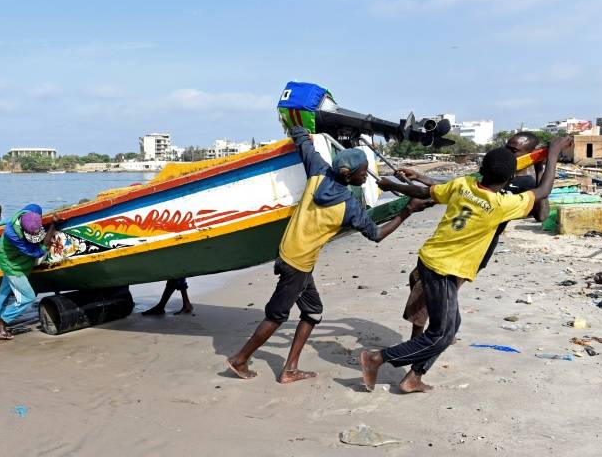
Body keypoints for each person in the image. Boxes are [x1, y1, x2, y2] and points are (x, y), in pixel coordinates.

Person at [361, 137, 571, 394]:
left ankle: (413, 376)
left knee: (449, 326)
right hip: (444, 268)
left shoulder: (464, 183)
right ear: (506, 178)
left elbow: (428, 192)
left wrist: (394, 185)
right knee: (440, 332)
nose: (510, 152)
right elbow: (544, 191)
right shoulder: (501, 203)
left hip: (441, 261)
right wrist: (554, 155)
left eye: (514, 150)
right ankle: (377, 359)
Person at [226, 126, 430, 384]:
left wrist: (302, 128)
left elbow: (302, 141)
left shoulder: (318, 171)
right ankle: (239, 359)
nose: (366, 176)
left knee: (313, 312)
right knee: (277, 315)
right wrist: (407, 211)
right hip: (298, 266)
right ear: (351, 175)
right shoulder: (349, 206)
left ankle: (290, 369)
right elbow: (376, 235)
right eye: (363, 172)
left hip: (290, 254)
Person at [398, 131, 549, 338]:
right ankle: (444, 329)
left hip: (474, 249)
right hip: (452, 242)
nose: (506, 153)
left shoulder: (525, 184)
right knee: (423, 282)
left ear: (531, 154)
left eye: (513, 151)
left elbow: (541, 215)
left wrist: (541, 167)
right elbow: (457, 188)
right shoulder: (495, 170)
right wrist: (421, 177)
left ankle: (422, 339)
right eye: (506, 147)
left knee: (426, 291)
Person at [0, 204, 60, 340]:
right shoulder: (12, 235)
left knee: (4, 292)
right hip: (12, 265)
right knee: (28, 297)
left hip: (11, 258)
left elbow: (17, 216)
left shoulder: (32, 210)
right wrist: (53, 226)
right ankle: (0, 323)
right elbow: (37, 252)